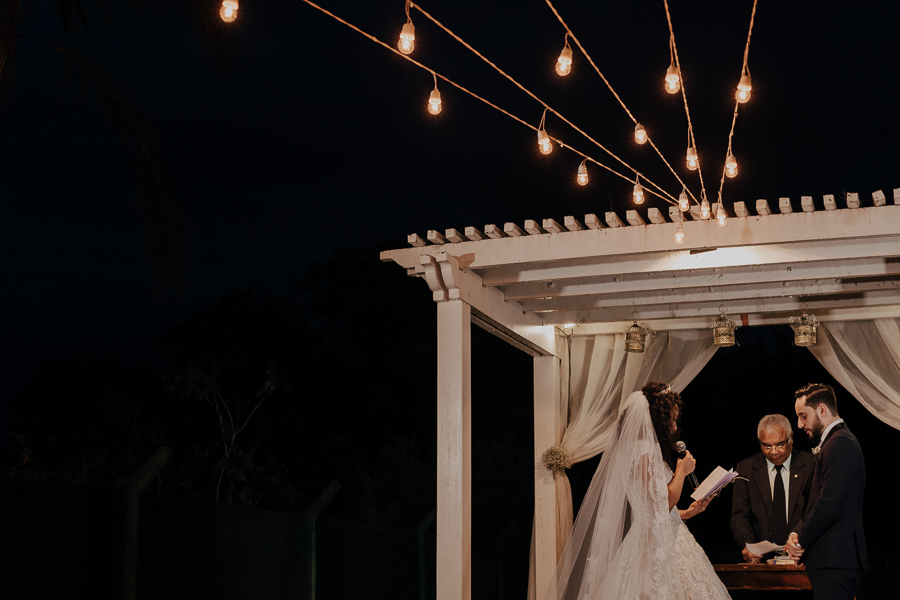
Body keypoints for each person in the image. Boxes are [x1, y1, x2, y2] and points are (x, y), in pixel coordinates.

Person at [544, 382, 730, 600]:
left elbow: (652, 509)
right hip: (656, 542)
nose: (674, 425)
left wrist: (687, 513)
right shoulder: (643, 450)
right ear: (658, 419)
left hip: (657, 532)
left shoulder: (638, 450)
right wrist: (682, 471)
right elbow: (663, 502)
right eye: (671, 418)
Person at [785, 383, 867, 600]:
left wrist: (800, 540)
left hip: (836, 559)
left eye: (803, 416)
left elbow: (827, 504)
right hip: (830, 560)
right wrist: (796, 534)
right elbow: (817, 501)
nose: (799, 424)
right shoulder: (835, 442)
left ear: (822, 410)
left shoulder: (841, 443)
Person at [730, 414, 814, 562]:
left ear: (791, 438)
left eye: (780, 444)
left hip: (804, 556)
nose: (773, 452)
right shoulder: (746, 468)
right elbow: (740, 516)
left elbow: (815, 510)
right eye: (766, 445)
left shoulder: (810, 465)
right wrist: (747, 546)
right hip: (763, 559)